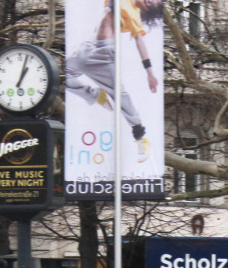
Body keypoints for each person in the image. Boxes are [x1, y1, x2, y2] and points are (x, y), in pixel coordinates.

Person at [65, 0, 163, 164]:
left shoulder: (134, 15)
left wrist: (150, 72)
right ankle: (96, 95)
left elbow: (140, 42)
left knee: (120, 95)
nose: (149, 0)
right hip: (87, 48)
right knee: (63, 77)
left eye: (151, 3)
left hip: (104, 54)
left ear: (146, 8)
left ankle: (140, 137)